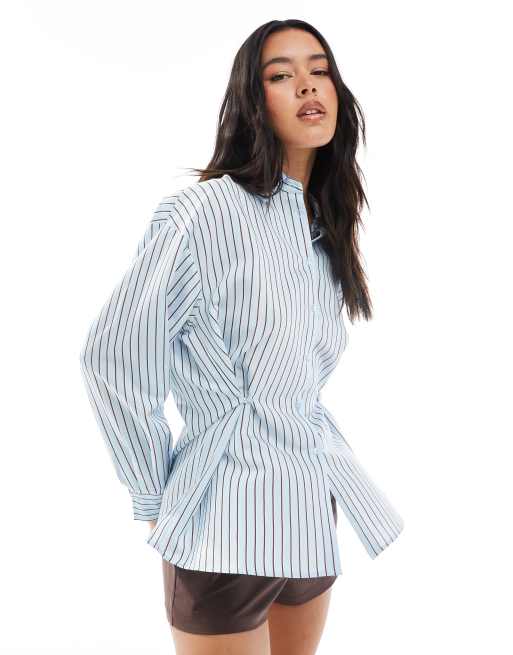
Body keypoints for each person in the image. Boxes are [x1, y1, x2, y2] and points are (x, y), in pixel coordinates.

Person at [79, 18, 404, 655]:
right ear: (254, 102)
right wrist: (153, 490)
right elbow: (114, 356)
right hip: (223, 521)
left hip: (310, 514)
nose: (307, 85)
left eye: (319, 70)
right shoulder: (204, 212)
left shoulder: (321, 226)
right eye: (282, 76)